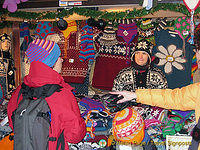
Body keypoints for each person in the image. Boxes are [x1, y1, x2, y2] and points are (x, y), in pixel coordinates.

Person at [7, 38, 86, 150]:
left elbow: (13, 123)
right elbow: (75, 135)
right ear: (50, 62)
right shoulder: (61, 94)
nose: (62, 60)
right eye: (58, 57)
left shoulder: (20, 90)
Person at [112, 39, 168, 149]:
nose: (140, 57)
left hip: (152, 117)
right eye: (137, 53)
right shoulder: (123, 74)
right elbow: (115, 98)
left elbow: (164, 99)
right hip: (128, 118)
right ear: (133, 56)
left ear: (149, 56)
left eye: (144, 54)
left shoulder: (158, 75)